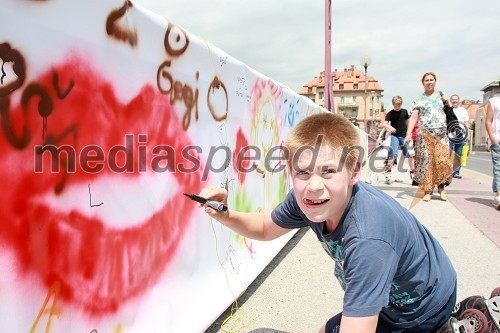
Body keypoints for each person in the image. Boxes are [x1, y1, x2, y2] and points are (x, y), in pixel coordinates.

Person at [198, 113, 457, 332]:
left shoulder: (368, 238)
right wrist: (223, 213)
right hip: (395, 299)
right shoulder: (308, 199)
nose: (313, 186)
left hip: (421, 311)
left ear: (354, 171)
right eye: (302, 172)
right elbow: (266, 228)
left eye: (328, 171)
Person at [405, 72, 454, 202]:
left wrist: (447, 102)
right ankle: (428, 190)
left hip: (441, 134)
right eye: (426, 80)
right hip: (425, 134)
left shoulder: (442, 97)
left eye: (431, 80)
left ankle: (441, 188)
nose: (429, 82)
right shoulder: (418, 99)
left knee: (441, 161)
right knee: (426, 161)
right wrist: (408, 133)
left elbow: (449, 112)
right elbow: (414, 117)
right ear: (423, 83)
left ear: (435, 81)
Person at [382, 96, 414, 184]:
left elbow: (408, 122)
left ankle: (412, 172)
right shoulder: (390, 113)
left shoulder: (404, 111)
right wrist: (389, 126)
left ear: (401, 104)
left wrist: (409, 133)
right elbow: (384, 124)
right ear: (393, 105)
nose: (397, 108)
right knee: (393, 153)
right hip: (395, 136)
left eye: (398, 106)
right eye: (395, 106)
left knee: (409, 154)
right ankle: (388, 172)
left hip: (404, 136)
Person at [448, 94, 470, 179]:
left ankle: (456, 172)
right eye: (453, 99)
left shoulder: (463, 110)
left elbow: (466, 122)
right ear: (450, 101)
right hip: (449, 134)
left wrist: (467, 134)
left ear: (458, 100)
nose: (454, 101)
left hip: (461, 135)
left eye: (456, 99)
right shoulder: (448, 110)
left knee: (458, 153)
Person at [485, 93, 500, 209]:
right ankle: (499, 196)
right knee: (498, 167)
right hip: (497, 139)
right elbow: (488, 121)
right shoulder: (494, 101)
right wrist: (493, 139)